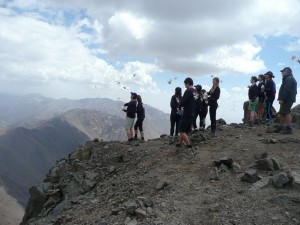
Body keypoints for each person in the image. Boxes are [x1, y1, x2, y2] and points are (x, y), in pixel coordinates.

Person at [276, 67, 297, 134]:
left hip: (287, 99)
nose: (282, 73)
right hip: (288, 99)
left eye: (283, 72)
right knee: (282, 112)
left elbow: (286, 90)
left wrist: (282, 99)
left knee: (286, 112)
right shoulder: (288, 79)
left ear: (287, 72)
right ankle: (281, 127)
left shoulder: (289, 79)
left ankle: (288, 128)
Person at [176, 77, 196, 150]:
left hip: (187, 113)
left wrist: (179, 107)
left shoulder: (188, 91)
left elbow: (183, 101)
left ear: (187, 83)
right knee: (184, 130)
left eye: (185, 84)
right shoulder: (195, 91)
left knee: (181, 130)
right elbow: (196, 101)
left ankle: (189, 145)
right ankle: (179, 143)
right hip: (193, 113)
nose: (184, 85)